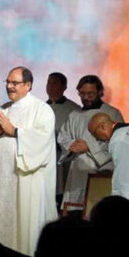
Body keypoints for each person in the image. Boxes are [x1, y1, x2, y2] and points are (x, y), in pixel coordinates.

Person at [0, 66, 56, 255]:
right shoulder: (3, 109)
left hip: (26, 177)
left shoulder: (41, 109)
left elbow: (42, 139)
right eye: (8, 82)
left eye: (15, 83)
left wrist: (14, 131)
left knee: (24, 221)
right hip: (2, 175)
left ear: (28, 85)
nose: (10, 86)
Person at [57, 75, 124, 210]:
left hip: (101, 170)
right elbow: (63, 136)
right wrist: (72, 145)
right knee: (75, 212)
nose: (86, 97)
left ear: (99, 92)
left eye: (90, 93)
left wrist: (89, 147)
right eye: (82, 93)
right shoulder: (74, 115)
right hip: (77, 171)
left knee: (98, 212)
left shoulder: (112, 113)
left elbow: (118, 142)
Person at [46, 72, 80, 203]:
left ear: (64, 87)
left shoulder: (74, 109)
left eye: (54, 83)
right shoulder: (41, 108)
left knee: (62, 194)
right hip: (44, 157)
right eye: (49, 82)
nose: (50, 86)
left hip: (64, 158)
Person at [88, 112, 129, 199]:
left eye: (95, 134)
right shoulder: (125, 131)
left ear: (102, 126)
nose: (97, 138)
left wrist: (117, 199)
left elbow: (123, 178)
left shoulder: (118, 139)